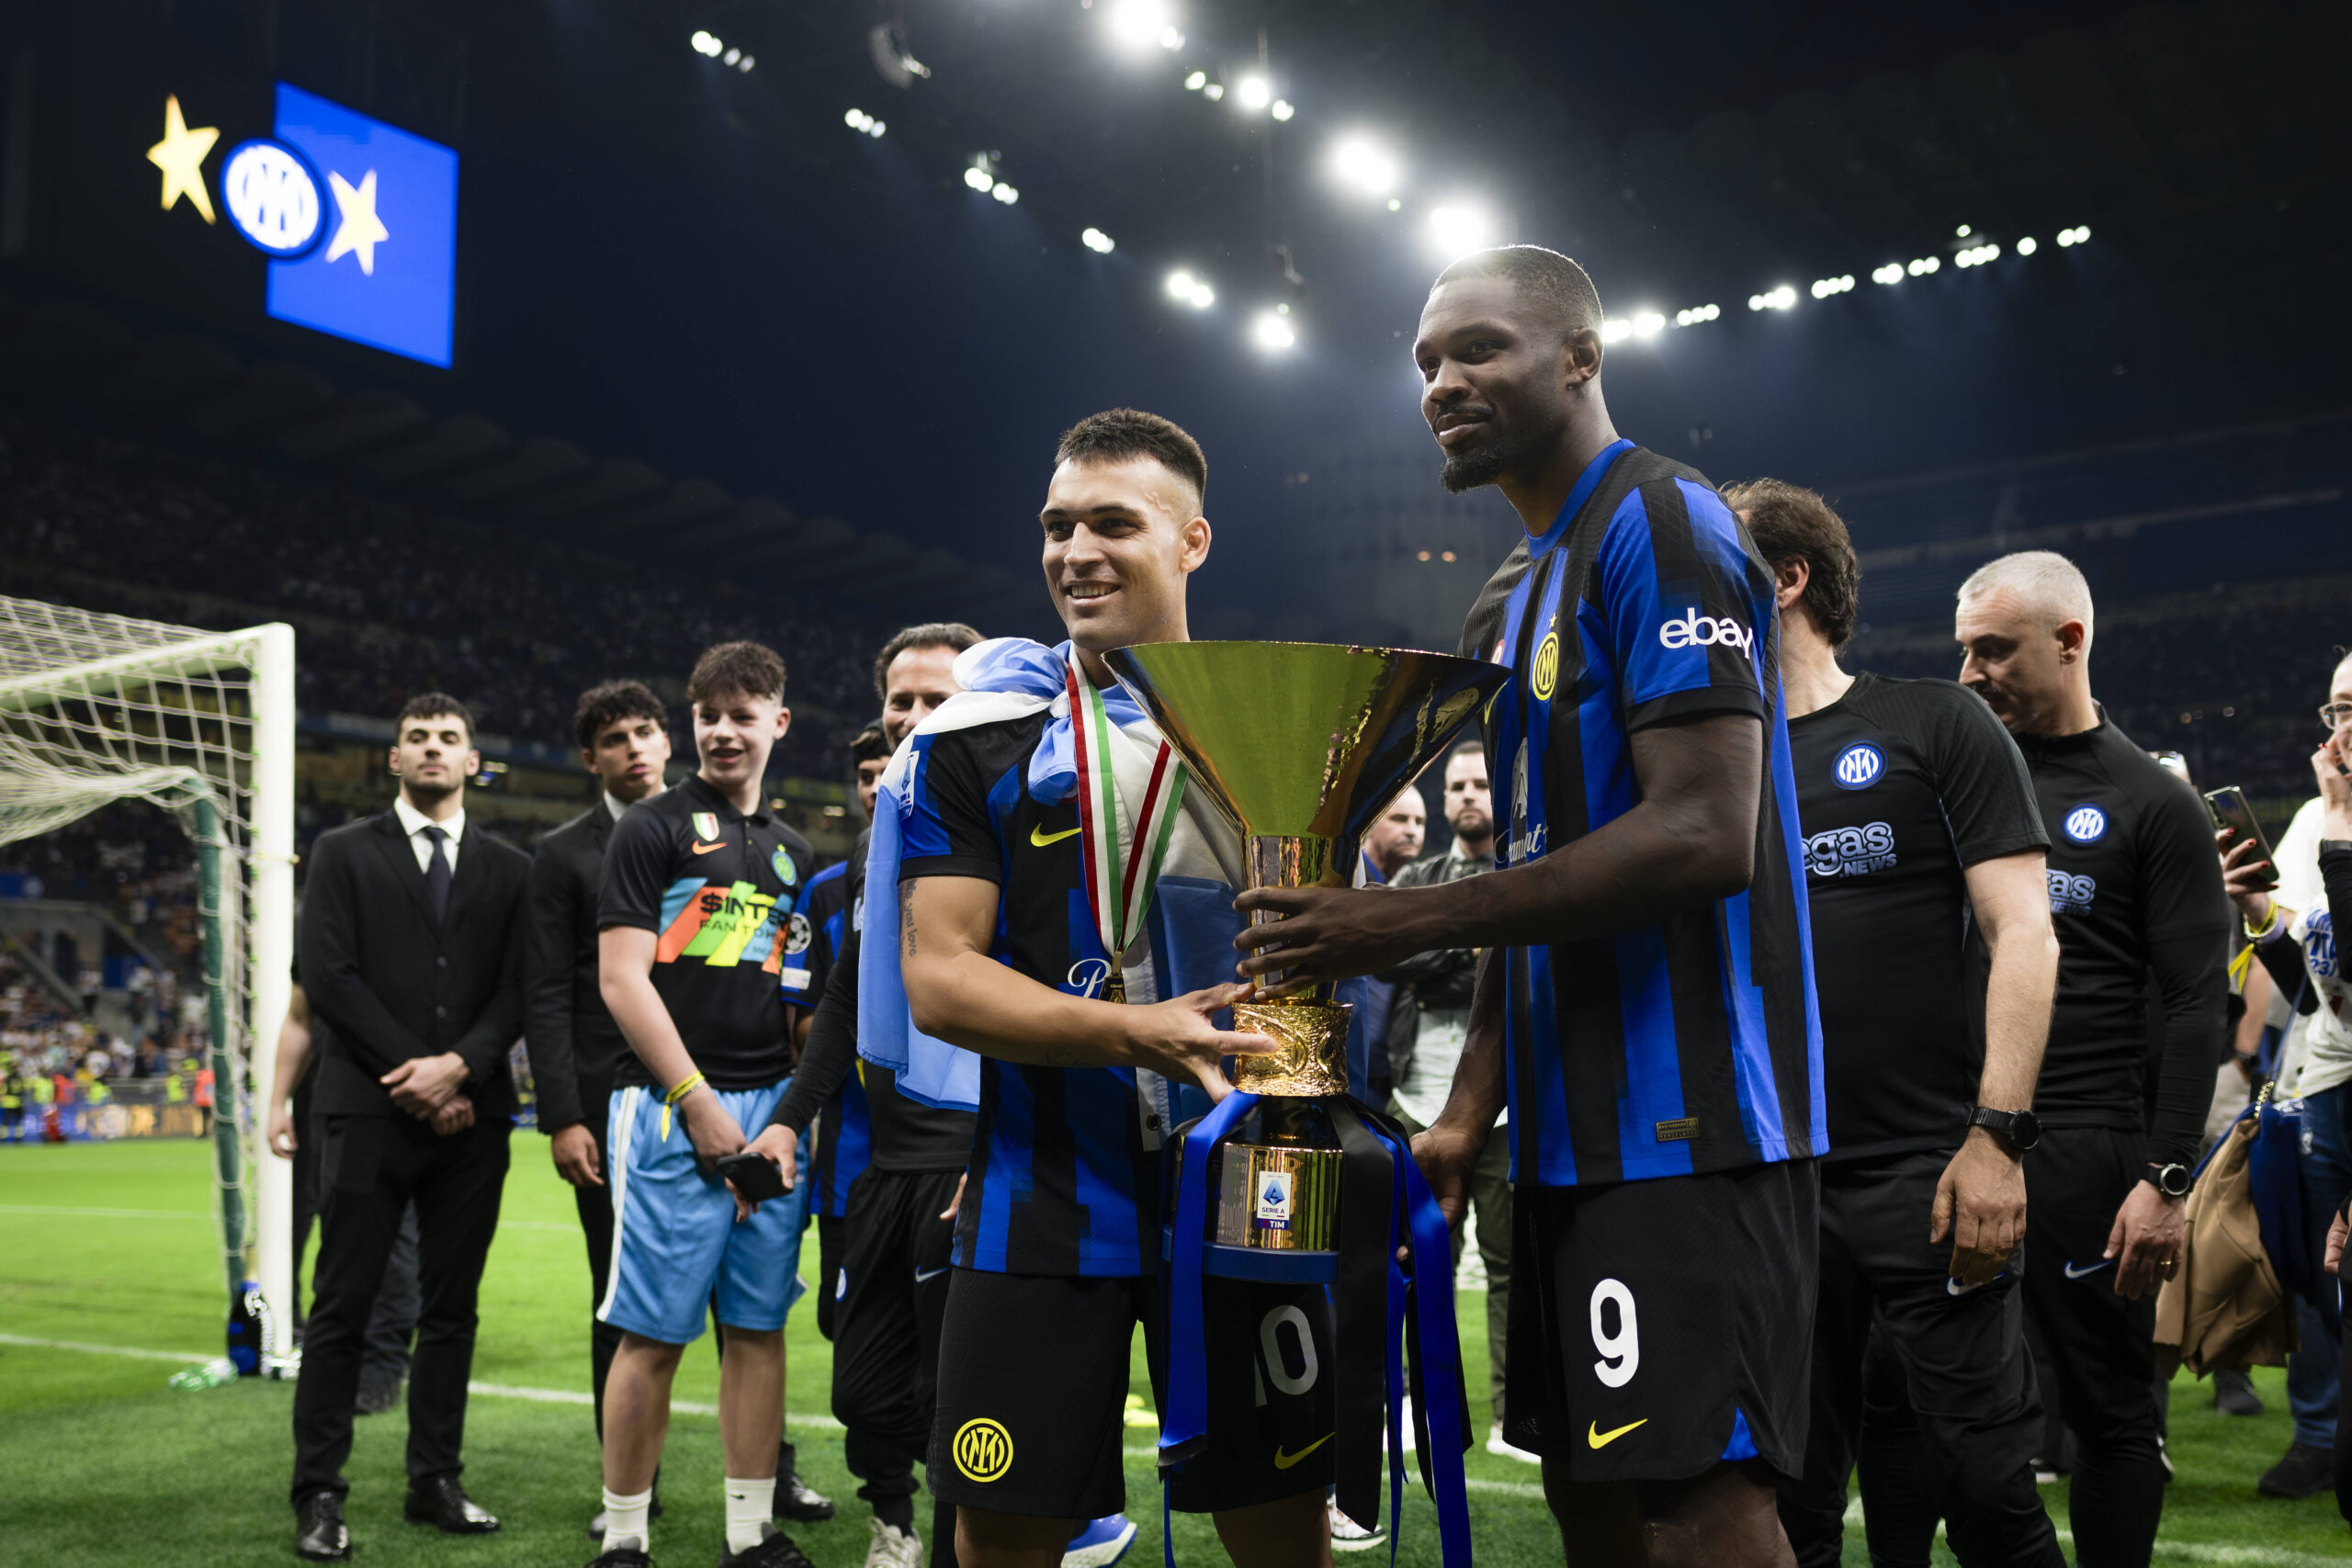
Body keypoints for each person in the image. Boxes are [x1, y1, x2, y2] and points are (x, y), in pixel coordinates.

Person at [1227, 246, 1826, 1568]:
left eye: (1480, 349)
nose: (1443, 382)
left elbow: (1704, 830)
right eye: (1428, 361)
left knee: (1698, 1495)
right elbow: (1540, 873)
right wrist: (1466, 1109)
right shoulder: (1514, 591)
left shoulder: (1662, 523)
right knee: (1589, 1488)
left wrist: (1397, 921)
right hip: (1554, 1137)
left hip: (1687, 1123)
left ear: (1579, 358)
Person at [889, 409, 1329, 1568]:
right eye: (1055, 525)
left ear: (1192, 542)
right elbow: (938, 979)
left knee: (1277, 1518)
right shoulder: (973, 741)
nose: (1074, 551)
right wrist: (1131, 1030)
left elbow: (1320, 964)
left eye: (1111, 524)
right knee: (1006, 1529)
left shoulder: (1280, 728)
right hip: (1039, 1192)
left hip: (1248, 1184)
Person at [1724, 479, 2065, 1567]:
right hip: (1769, 1179)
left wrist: (1995, 1139)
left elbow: (2026, 935)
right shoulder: (1705, 763)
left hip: (1929, 1170)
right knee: (1788, 1504)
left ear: (1788, 579)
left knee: (1988, 1491)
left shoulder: (1931, 722)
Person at [1948, 550, 2231, 1565]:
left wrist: (2163, 1180)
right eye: (1963, 651)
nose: (1971, 674)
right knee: (1944, 1418)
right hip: (1958, 1141)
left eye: (1994, 650)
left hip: (2088, 1153)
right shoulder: (1957, 780)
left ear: (2071, 642)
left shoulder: (2152, 801)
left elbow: (2200, 1004)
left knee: (2109, 1413)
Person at [761, 624, 1006, 1568]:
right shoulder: (882, 836)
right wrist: (788, 1121)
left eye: (933, 700)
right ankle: (905, 1517)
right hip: (880, 1165)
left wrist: (992, 1147)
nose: (909, 719)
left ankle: (955, 1547)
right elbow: (847, 994)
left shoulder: (1012, 820)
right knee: (863, 1389)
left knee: (958, 1398)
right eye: (899, 702)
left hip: (965, 1161)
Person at [591, 641, 824, 1568]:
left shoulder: (795, 853)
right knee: (651, 1332)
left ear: (779, 721)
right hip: (666, 1106)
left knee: (759, 1328)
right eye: (708, 716)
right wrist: (694, 1102)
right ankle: (623, 1537)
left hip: (767, 1113)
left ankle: (747, 1533)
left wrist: (786, 1121)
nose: (724, 732)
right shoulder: (649, 829)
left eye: (743, 713)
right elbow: (620, 980)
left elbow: (799, 1005)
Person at [291, 694, 530, 1562]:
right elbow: (329, 974)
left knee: (451, 1309)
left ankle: (435, 1476)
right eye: (417, 738)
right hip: (364, 1109)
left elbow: (520, 986)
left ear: (473, 761)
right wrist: (421, 1075)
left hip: (476, 1116)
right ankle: (318, 1489)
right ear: (392, 760)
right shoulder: (342, 851)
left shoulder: (511, 868)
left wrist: (461, 1065)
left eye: (450, 738)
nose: (433, 748)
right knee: (341, 1306)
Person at [521, 680, 678, 1538]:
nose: (635, 746)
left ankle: (768, 1468)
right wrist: (561, 1114)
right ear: (593, 759)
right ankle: (630, 1488)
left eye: (646, 730)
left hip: (715, 1092)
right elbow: (546, 991)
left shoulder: (709, 829)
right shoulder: (563, 853)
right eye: (615, 738)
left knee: (743, 1293)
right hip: (608, 1105)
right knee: (617, 1299)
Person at [2219, 651, 2352, 1503]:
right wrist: (2261, 915)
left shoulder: (2329, 817)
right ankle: (2318, 1434)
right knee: (2312, 1267)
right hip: (2314, 1075)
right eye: (2337, 707)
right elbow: (2312, 979)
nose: (2343, 728)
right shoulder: (2309, 819)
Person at [1378, 740, 1526, 1463]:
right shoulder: (1421, 875)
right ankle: (1411, 1406)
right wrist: (1475, 937)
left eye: (1481, 783)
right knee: (1413, 1259)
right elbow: (1396, 957)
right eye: (1457, 785)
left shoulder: (1528, 866)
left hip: (1502, 1105)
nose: (1469, 795)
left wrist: (1451, 937)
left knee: (1508, 1266)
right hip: (1415, 1096)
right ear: (1443, 801)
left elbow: (1520, 966)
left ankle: (1508, 1414)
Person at [265, 971, 423, 1405]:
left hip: (385, 1096)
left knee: (393, 1238)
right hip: (327, 1099)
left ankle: (381, 1366)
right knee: (325, 1233)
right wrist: (279, 1101)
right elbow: (301, 1012)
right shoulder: (323, 920)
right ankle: (316, 1341)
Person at [1361, 789, 1425, 884]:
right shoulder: (1347, 879)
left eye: (1419, 822)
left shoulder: (1422, 881)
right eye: (1399, 819)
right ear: (1369, 825)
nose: (1412, 831)